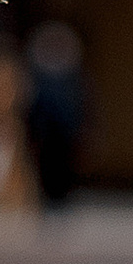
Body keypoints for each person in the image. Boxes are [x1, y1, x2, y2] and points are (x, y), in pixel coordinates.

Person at [22, 20, 88, 209]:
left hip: (63, 130)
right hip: (46, 129)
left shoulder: (71, 78)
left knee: (63, 167)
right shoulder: (41, 75)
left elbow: (80, 104)